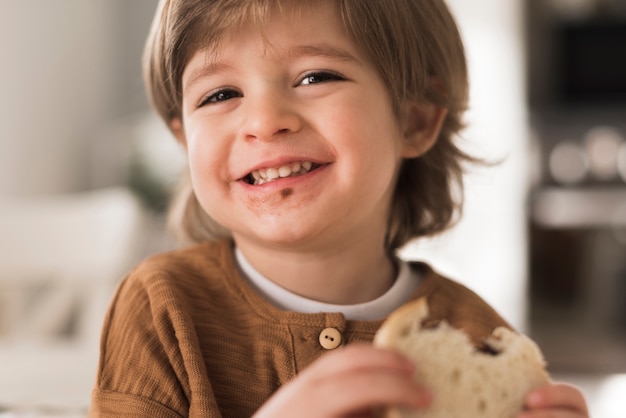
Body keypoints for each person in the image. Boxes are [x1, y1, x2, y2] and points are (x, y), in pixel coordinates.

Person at [89, 0, 589, 417]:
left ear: (414, 120)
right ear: (183, 139)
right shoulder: (162, 308)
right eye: (220, 94)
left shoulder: (477, 340)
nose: (264, 121)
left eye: (314, 77)